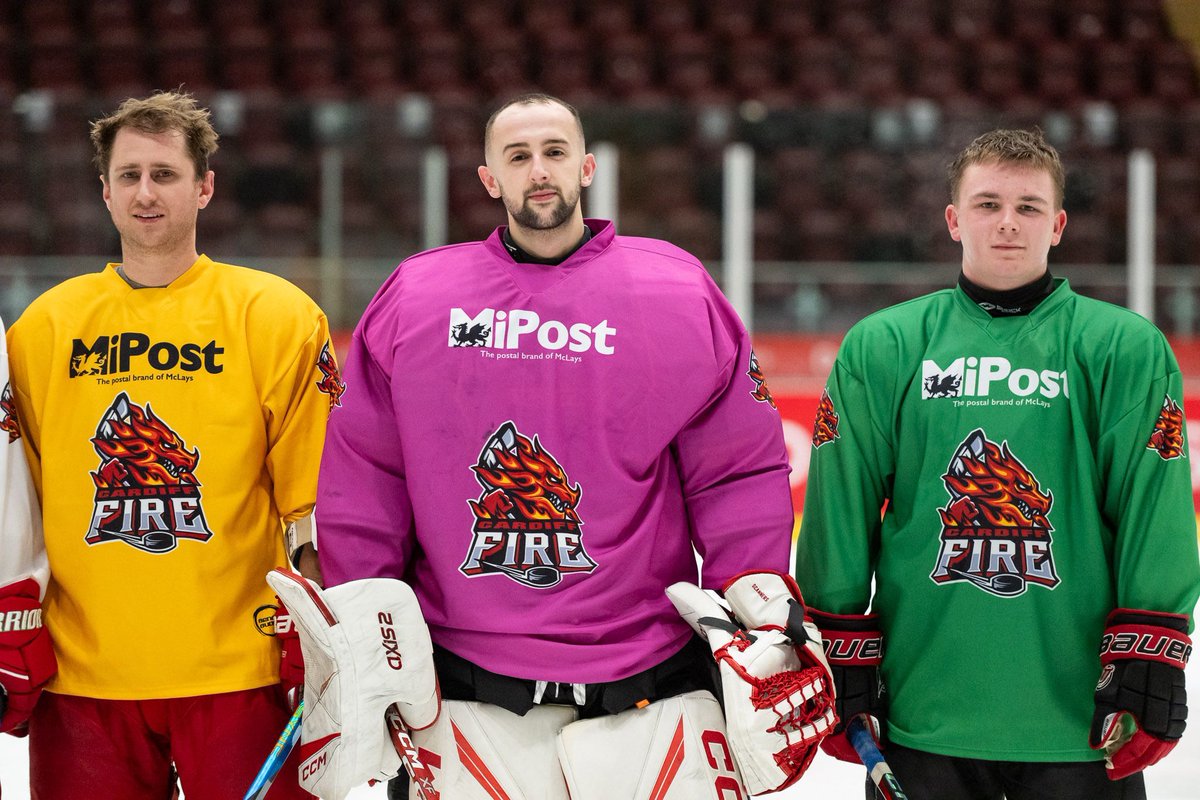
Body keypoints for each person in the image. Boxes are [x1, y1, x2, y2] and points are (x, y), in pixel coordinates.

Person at [309, 93, 834, 800]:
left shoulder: (676, 290)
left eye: (555, 152)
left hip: (651, 687)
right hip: (465, 688)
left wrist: (753, 601)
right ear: (489, 178)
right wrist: (367, 619)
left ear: (586, 166)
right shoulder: (418, 297)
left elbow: (736, 467)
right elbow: (367, 473)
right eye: (518, 157)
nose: (540, 170)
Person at [795, 128, 1200, 799]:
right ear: (954, 219)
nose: (1007, 223)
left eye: (1029, 207)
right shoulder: (884, 345)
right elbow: (840, 507)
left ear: (1059, 224)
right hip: (922, 712)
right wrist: (836, 642)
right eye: (987, 205)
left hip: (1081, 720)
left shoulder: (1124, 347)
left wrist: (1152, 650)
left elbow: (1153, 505)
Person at [4, 91, 340, 798]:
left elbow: (313, 501)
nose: (146, 192)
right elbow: (16, 503)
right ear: (103, 191)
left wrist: (326, 633)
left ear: (205, 186)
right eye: (128, 176)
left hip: (241, 673)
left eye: (165, 174)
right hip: (84, 679)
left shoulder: (274, 315)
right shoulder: (42, 330)